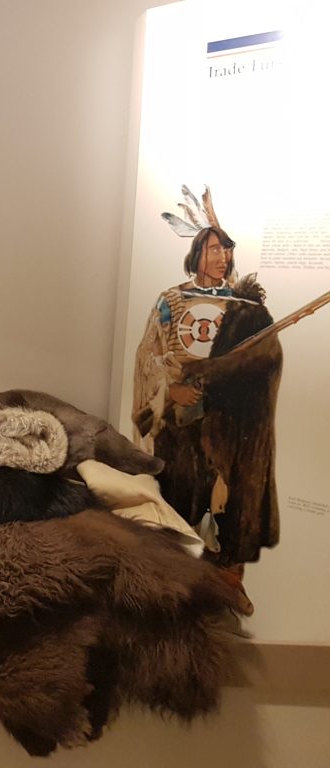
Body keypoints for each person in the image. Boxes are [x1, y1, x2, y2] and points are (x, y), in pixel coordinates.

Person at [132, 201, 282, 613]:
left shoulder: (244, 309)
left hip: (228, 425)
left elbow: (264, 361)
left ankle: (227, 576)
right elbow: (149, 355)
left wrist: (227, 382)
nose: (221, 257)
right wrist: (171, 390)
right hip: (179, 422)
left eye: (226, 250)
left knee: (228, 502)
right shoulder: (170, 301)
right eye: (213, 249)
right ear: (196, 254)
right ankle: (171, 585)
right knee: (179, 497)